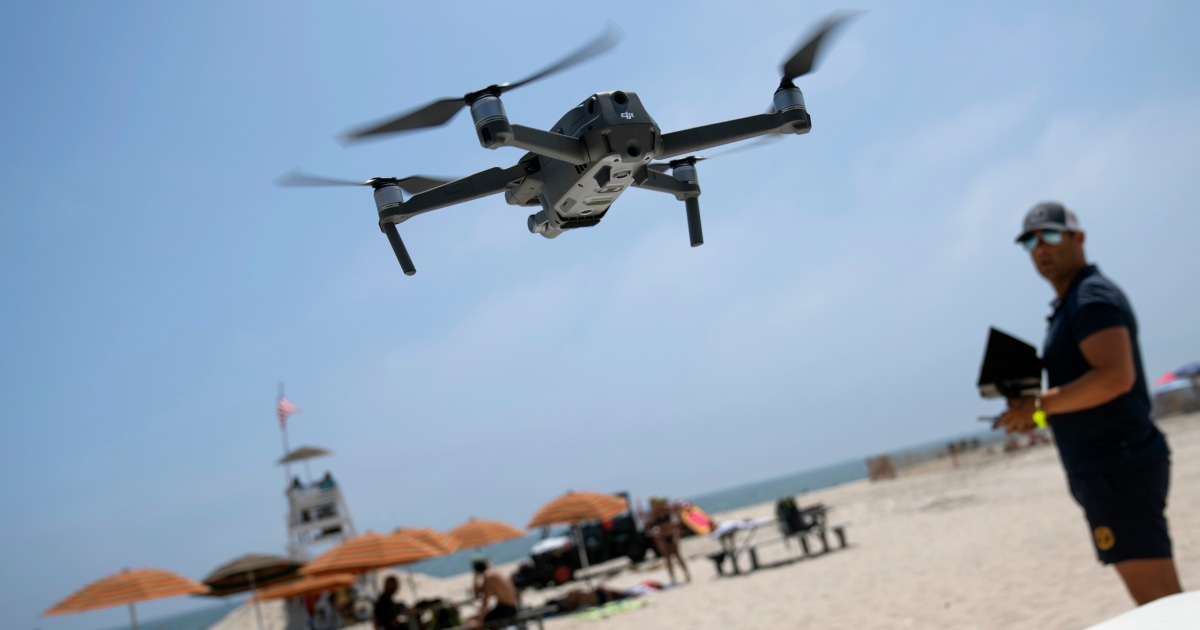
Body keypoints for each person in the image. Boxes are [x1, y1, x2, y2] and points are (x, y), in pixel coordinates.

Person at [996, 201, 1183, 606]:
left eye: (1049, 234)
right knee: (1160, 598)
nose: (1039, 247)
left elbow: (1115, 377)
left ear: (1078, 238)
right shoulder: (1071, 304)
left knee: (1158, 601)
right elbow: (1088, 391)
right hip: (1112, 466)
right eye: (1029, 241)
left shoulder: (1091, 297)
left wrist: (1038, 404)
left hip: (1119, 465)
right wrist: (1034, 413)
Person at [646, 497, 691, 584]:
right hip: (663, 537)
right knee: (667, 559)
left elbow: (678, 514)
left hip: (672, 534)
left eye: (653, 503)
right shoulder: (653, 514)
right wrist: (651, 519)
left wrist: (677, 529)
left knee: (678, 555)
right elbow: (647, 526)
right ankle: (673, 578)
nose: (653, 505)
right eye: (651, 504)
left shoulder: (666, 510)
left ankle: (687, 574)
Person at [467, 556, 519, 627]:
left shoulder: (488, 576)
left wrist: (480, 620)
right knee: (474, 620)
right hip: (509, 607)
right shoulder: (492, 573)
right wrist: (475, 578)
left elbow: (485, 601)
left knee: (472, 623)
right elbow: (477, 593)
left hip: (507, 609)